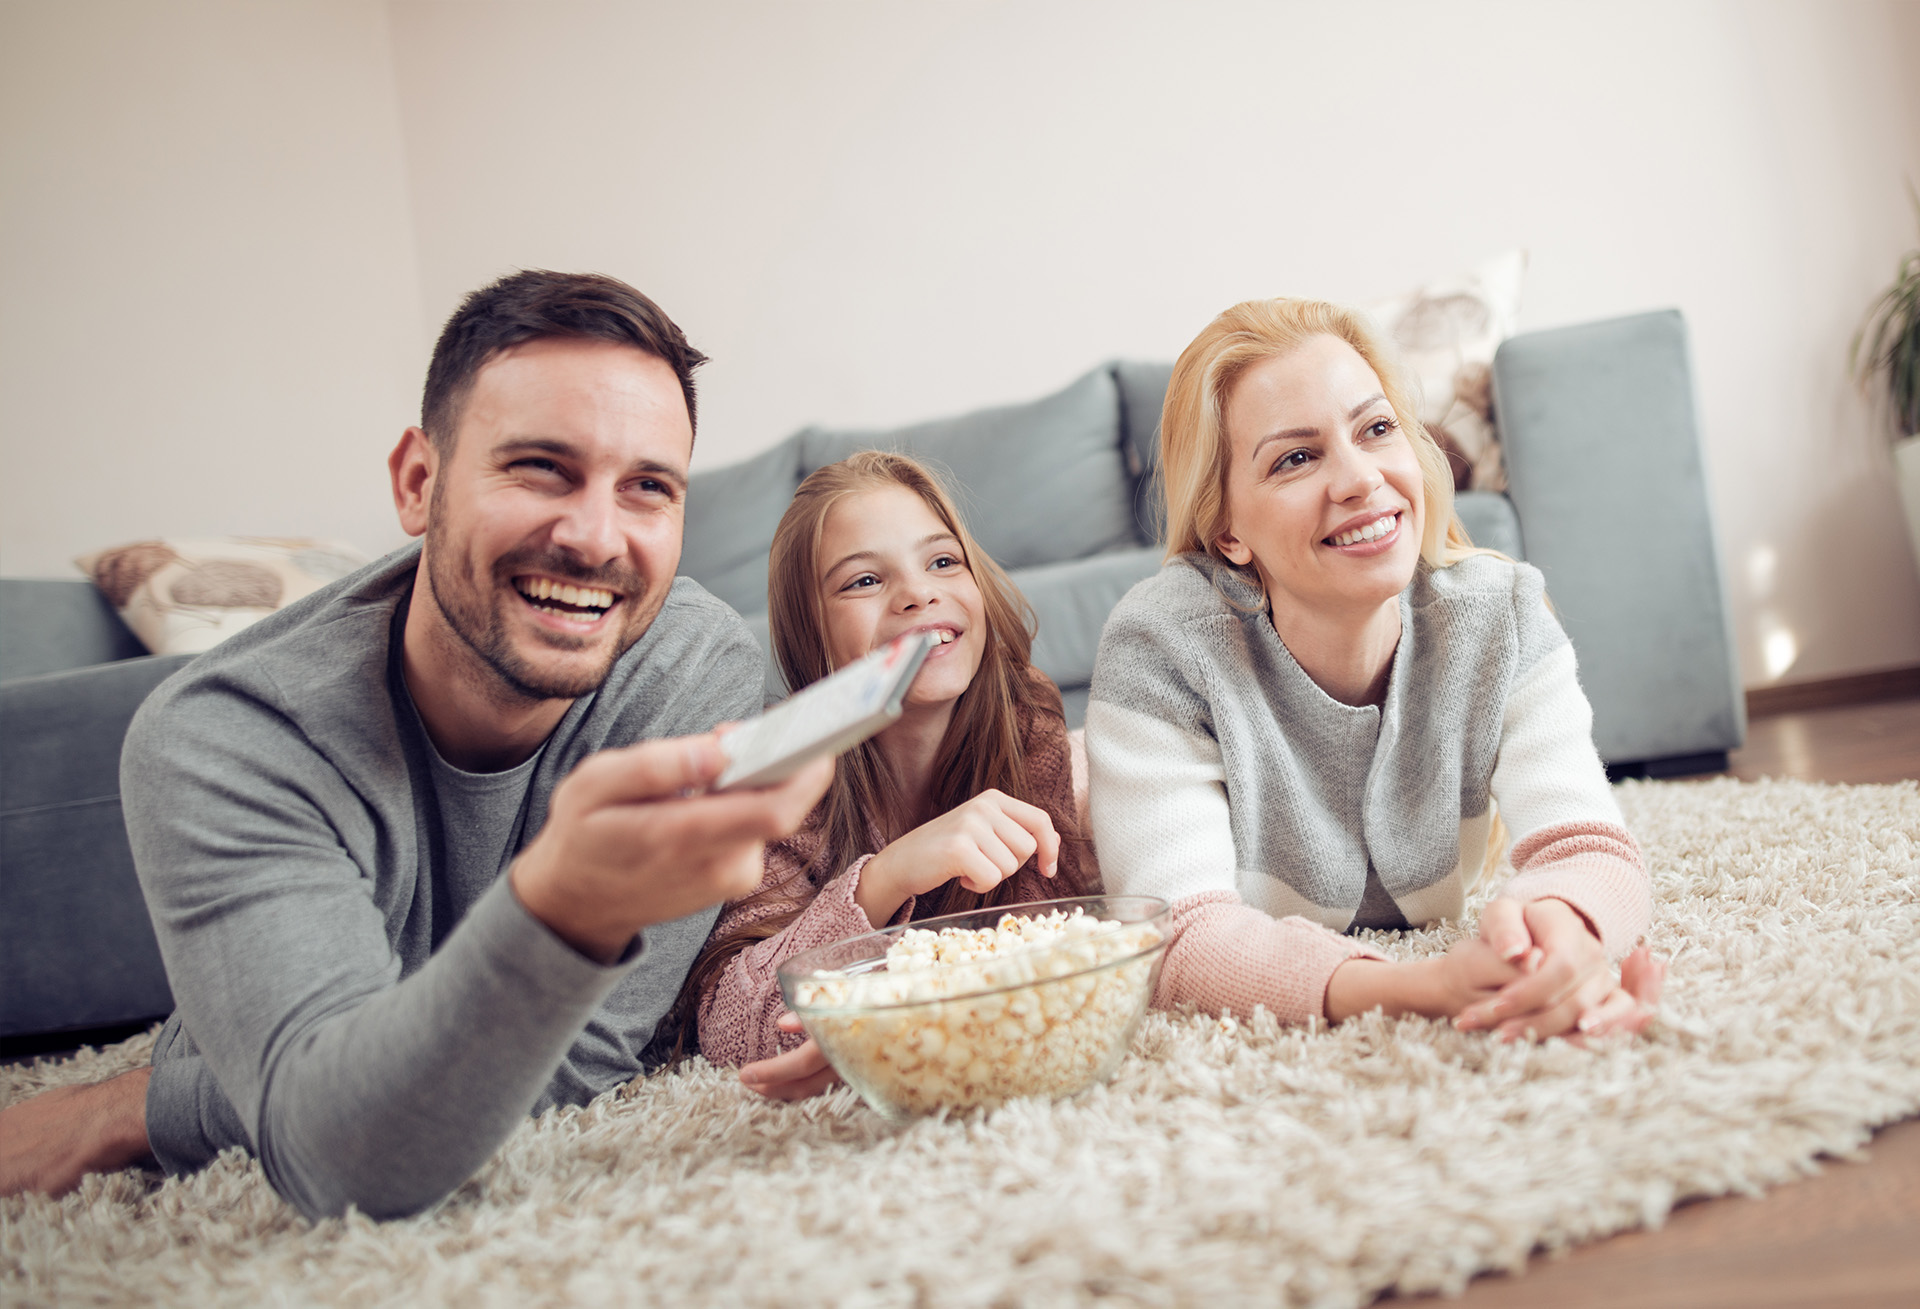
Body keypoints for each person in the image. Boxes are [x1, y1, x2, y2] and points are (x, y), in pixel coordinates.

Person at [0, 271, 833, 1219]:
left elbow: (589, 1056)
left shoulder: (689, 662)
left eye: (648, 488)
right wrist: (567, 910)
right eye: (540, 468)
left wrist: (143, 1105)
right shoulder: (221, 735)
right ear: (417, 481)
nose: (596, 537)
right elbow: (344, 1160)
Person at [1086, 297, 1665, 1041]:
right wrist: (1416, 987)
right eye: (1296, 457)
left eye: (1377, 428)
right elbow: (1180, 937)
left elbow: (1588, 848)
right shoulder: (1159, 648)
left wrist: (1560, 941)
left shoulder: (1503, 612)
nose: (1361, 479)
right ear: (1227, 529)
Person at [683, 452, 1095, 1099]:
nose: (918, 593)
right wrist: (888, 876)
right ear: (808, 630)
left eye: (942, 561)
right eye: (864, 581)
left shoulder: (1024, 715)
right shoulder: (785, 773)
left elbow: (1069, 935)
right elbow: (730, 1027)